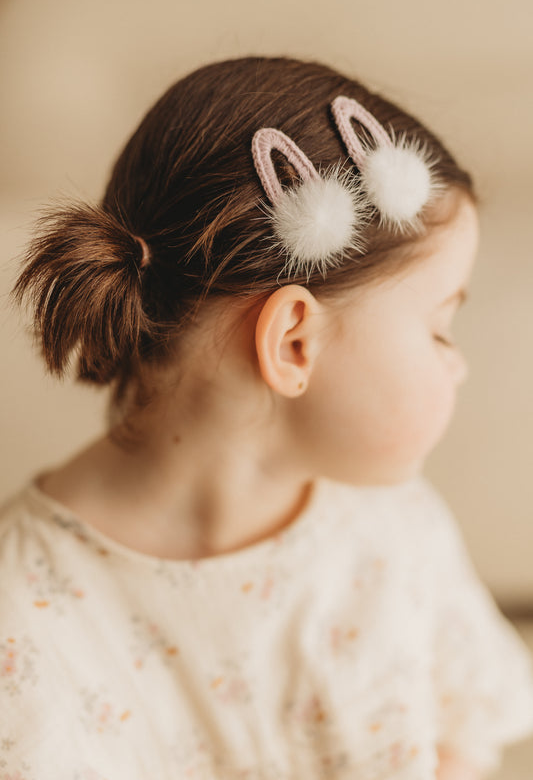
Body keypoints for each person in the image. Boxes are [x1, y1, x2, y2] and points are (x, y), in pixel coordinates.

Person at [1, 56, 532, 780]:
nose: (456, 364)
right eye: (439, 328)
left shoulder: (395, 534)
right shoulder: (24, 624)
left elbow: (461, 738)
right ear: (292, 342)